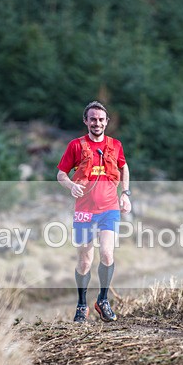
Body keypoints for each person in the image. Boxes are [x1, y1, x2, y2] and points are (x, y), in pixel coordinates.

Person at [57, 101, 131, 322]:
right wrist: (71, 185)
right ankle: (81, 305)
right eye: (93, 119)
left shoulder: (115, 145)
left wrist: (125, 193)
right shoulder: (76, 146)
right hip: (84, 212)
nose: (97, 123)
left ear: (106, 122)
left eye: (101, 119)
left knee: (107, 254)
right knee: (85, 261)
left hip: (109, 209)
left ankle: (103, 300)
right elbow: (61, 174)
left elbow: (123, 166)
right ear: (86, 121)